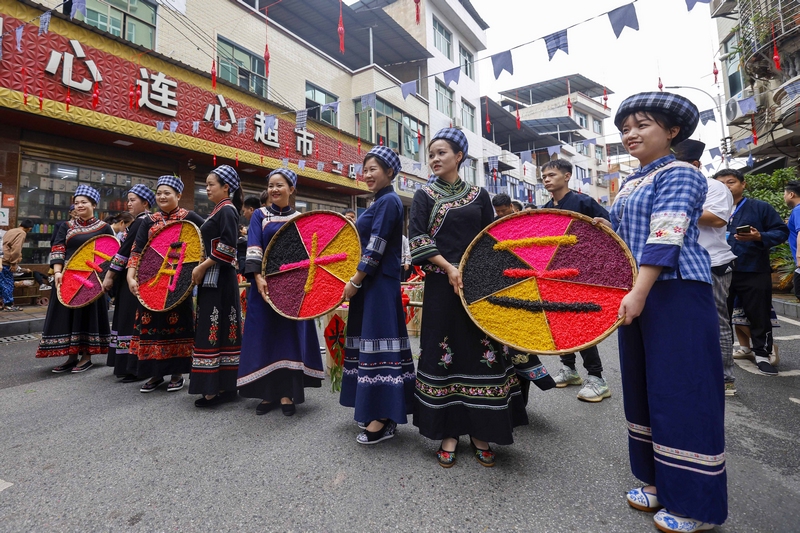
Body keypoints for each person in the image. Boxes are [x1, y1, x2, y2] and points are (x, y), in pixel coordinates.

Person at [605, 92, 727, 532]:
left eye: (642, 125)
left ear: (672, 131)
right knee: (643, 389)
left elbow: (666, 236)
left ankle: (696, 504)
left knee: (683, 393)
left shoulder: (681, 173)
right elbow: (622, 237)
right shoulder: (633, 180)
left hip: (673, 292)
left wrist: (638, 292)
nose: (630, 134)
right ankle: (658, 482)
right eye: (625, 128)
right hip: (638, 291)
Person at [410, 128, 527, 468]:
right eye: (431, 154)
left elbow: (490, 240)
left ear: (459, 156)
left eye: (442, 152)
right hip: (440, 285)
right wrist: (448, 267)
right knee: (442, 352)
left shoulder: (479, 195)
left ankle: (481, 430)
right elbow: (417, 238)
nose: (434, 159)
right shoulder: (423, 195)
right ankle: (448, 431)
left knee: (480, 352)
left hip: (475, 286)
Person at [339, 147, 415, 444]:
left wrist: (356, 281)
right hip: (372, 284)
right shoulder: (380, 201)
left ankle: (382, 418)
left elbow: (376, 245)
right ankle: (380, 412)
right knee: (373, 345)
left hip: (377, 285)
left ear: (390, 172)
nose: (368, 174)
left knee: (379, 345)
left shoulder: (389, 201)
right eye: (365, 169)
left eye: (374, 169)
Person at [237, 169, 324, 416]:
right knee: (264, 336)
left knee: (289, 339)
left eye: (280, 185)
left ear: (291, 189)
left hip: (293, 290)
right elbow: (253, 246)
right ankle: (267, 393)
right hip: (263, 287)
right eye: (271, 185)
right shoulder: (260, 216)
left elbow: (308, 255)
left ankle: (287, 394)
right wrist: (258, 277)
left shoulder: (300, 218)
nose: (274, 190)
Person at [541, 159, 612, 402]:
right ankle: (569, 369)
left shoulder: (584, 202)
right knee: (561, 321)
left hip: (582, 274)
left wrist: (604, 227)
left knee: (579, 323)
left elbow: (611, 229)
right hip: (553, 274)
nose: (547, 179)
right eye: (544, 176)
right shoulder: (545, 208)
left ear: (567, 176)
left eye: (552, 174)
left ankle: (597, 377)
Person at [127, 176, 205, 394]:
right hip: (151, 282)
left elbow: (207, 238)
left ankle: (177, 374)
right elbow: (137, 250)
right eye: (159, 193)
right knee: (152, 326)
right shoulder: (148, 221)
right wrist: (131, 277)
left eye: (167, 193)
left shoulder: (190, 218)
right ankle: (155, 373)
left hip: (179, 284)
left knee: (177, 325)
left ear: (178, 195)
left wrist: (199, 266)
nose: (162, 196)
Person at [674, 140, 739, 396]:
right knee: (683, 324)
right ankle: (692, 373)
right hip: (680, 264)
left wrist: (680, 208)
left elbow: (717, 218)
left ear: (696, 165)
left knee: (715, 322)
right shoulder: (672, 188)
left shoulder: (714, 187)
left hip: (712, 264)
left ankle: (725, 378)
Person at [714, 168, 788, 376]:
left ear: (743, 184)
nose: (726, 187)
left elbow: (781, 232)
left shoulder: (760, 207)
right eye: (721, 184)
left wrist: (759, 237)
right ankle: (720, 358)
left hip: (752, 269)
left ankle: (762, 355)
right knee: (720, 317)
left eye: (731, 182)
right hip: (719, 270)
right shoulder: (710, 208)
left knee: (759, 314)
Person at [36, 185, 115, 373]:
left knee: (87, 315)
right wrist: (57, 272)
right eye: (76, 203)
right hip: (67, 278)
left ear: (94, 204)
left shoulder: (104, 227)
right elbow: (58, 248)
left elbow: (111, 253)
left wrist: (105, 278)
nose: (79, 206)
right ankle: (71, 356)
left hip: (91, 279)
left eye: (84, 202)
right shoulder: (66, 226)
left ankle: (86, 356)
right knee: (67, 315)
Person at [190, 165, 243, 408]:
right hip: (217, 277)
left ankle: (216, 388)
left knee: (216, 327)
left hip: (220, 277)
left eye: (211, 184)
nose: (207, 188)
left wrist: (202, 266)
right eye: (207, 184)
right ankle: (222, 385)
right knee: (217, 327)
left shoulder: (227, 210)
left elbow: (229, 248)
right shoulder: (219, 210)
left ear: (226, 187)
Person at [102, 184, 155, 382]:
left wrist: (109, 276)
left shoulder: (142, 222)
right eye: (129, 199)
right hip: (133, 278)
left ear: (145, 203)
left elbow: (124, 252)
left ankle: (133, 366)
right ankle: (130, 365)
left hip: (134, 279)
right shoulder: (140, 222)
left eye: (133, 200)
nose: (129, 203)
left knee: (129, 320)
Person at [1, 219, 34, 312]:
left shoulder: (11, 230)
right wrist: (14, 263)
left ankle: (2, 303)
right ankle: (8, 305)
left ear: (20, 224)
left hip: (1, 259)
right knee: (8, 283)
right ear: (29, 228)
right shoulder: (22, 233)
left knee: (2, 282)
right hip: (6, 261)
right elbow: (16, 249)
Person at [785, 180, 800, 303]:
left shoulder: (798, 210)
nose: (784, 197)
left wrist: (799, 257)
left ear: (791, 194)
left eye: (784, 193)